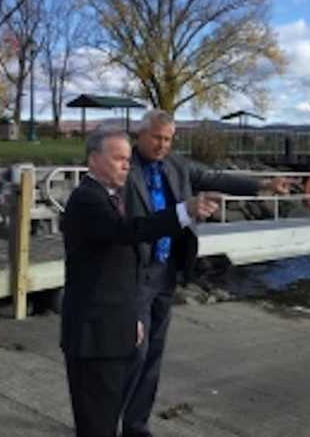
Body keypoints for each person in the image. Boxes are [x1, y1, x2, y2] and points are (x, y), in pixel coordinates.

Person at [119, 109, 289, 436]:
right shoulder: (126, 168)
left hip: (166, 271)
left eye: (168, 139)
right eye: (157, 137)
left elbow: (214, 178)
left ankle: (136, 427)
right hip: (134, 272)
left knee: (153, 357)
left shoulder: (176, 165)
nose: (162, 145)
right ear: (139, 134)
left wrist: (263, 184)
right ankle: (102, 423)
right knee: (132, 355)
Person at [60, 127, 221, 437]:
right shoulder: (88, 201)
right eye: (118, 158)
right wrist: (182, 212)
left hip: (112, 326)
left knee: (104, 417)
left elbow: (121, 268)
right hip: (94, 337)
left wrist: (131, 316)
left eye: (128, 159)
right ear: (93, 160)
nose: (126, 165)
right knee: (97, 424)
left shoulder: (111, 197)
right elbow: (129, 231)